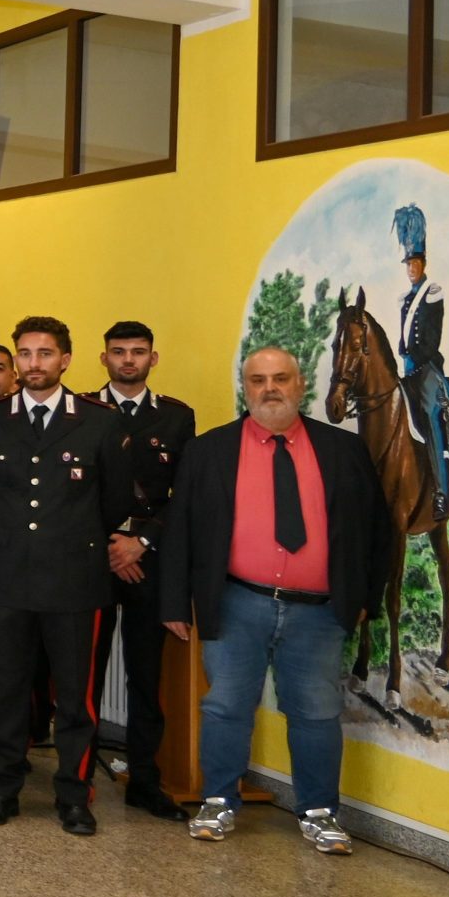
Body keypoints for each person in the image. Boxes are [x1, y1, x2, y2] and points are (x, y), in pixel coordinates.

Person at [162, 348, 396, 855]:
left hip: (318, 611)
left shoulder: (343, 450)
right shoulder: (209, 451)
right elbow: (180, 529)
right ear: (244, 388)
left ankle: (319, 812)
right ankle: (218, 802)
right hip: (236, 602)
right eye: (258, 380)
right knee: (225, 707)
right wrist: (175, 604)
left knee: (315, 711)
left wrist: (364, 598)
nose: (270, 388)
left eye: (281, 379)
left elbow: (379, 529)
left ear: (300, 384)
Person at [0, 317, 150, 837]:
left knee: (76, 697)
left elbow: (113, 501)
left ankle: (74, 794)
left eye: (45, 354)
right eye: (25, 354)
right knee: (7, 692)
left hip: (75, 581)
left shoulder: (98, 421)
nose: (33, 364)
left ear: (65, 360)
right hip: (7, 580)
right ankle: (2, 788)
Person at [88, 319, 196, 821]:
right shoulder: (82, 409)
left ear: (153, 358)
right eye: (118, 352)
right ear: (103, 358)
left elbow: (183, 496)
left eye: (137, 352)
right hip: (90, 557)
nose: (127, 360)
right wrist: (112, 545)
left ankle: (145, 781)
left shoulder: (176, 418)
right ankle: (78, 773)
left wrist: (141, 542)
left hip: (148, 562)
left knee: (145, 676)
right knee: (81, 673)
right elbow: (70, 489)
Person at [394, 205, 449, 519]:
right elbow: (404, 339)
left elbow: (431, 340)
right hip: (407, 370)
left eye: (415, 263)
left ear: (423, 263)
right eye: (407, 264)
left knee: (432, 419)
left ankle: (442, 494)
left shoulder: (433, 292)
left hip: (429, 370)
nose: (411, 268)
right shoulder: (404, 299)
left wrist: (414, 355)